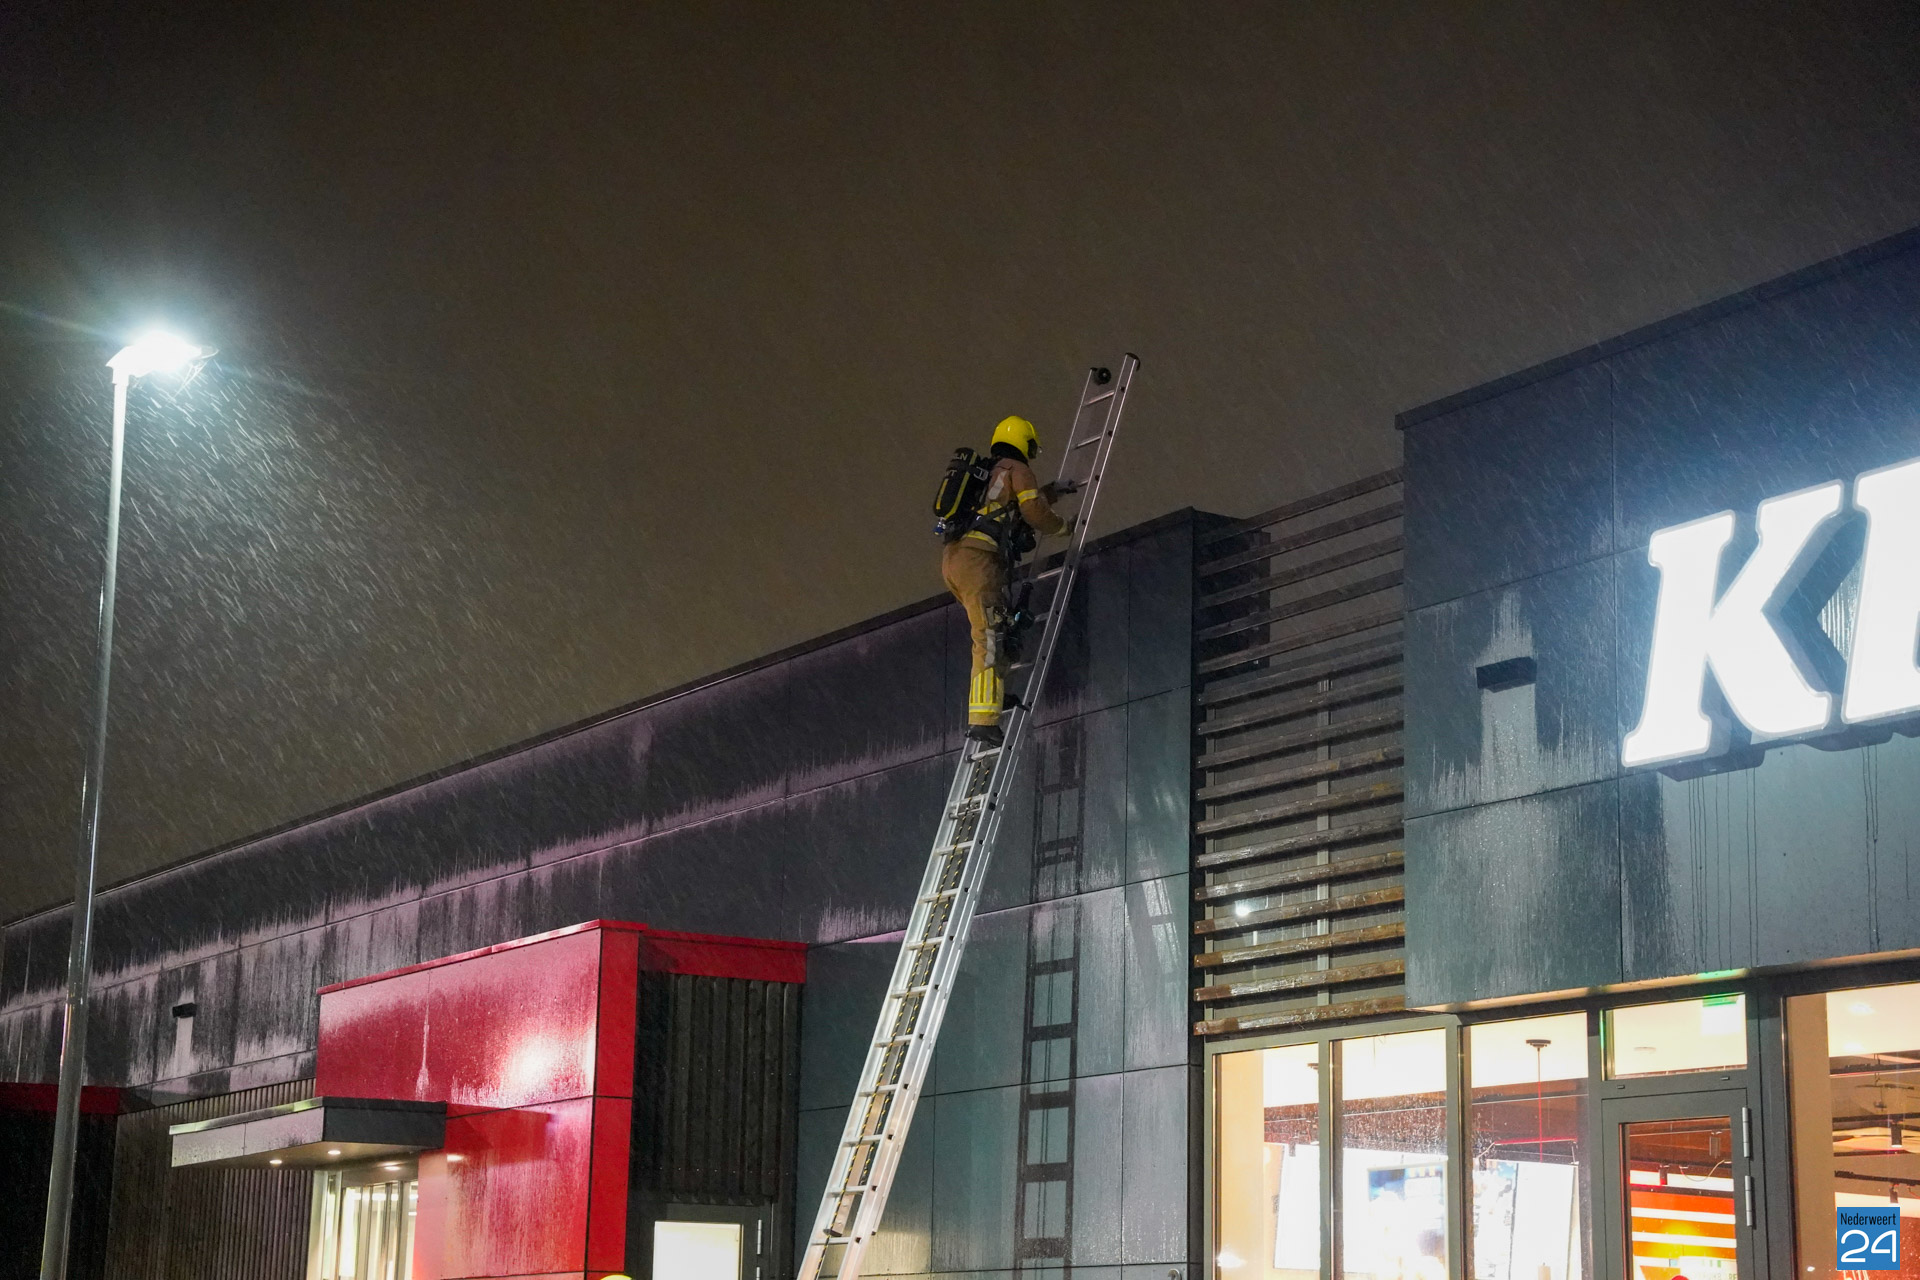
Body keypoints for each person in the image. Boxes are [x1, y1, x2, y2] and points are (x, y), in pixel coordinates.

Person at [941, 414, 1072, 747]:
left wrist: (1052, 491)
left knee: (997, 631)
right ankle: (983, 721)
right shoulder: (1016, 468)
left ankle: (994, 699)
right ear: (1024, 442)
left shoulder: (989, 473)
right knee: (988, 638)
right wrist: (1062, 528)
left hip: (957, 560)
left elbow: (1009, 506)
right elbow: (1033, 512)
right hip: (979, 562)